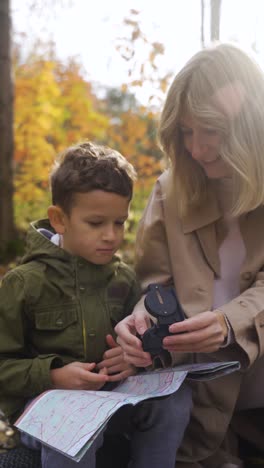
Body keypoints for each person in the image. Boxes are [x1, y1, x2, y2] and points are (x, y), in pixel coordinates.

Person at [115, 42, 264, 468]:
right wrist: (141, 319)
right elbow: (156, 286)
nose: (197, 149)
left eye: (212, 130)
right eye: (185, 131)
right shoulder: (170, 189)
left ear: (250, 124)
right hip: (194, 416)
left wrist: (228, 324)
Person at [0, 141, 192, 468]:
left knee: (175, 401)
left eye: (120, 223)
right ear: (59, 219)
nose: (111, 236)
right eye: (96, 223)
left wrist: (135, 360)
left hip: (112, 403)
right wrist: (53, 375)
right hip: (45, 411)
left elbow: (141, 344)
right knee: (75, 424)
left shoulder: (124, 279)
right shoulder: (23, 284)